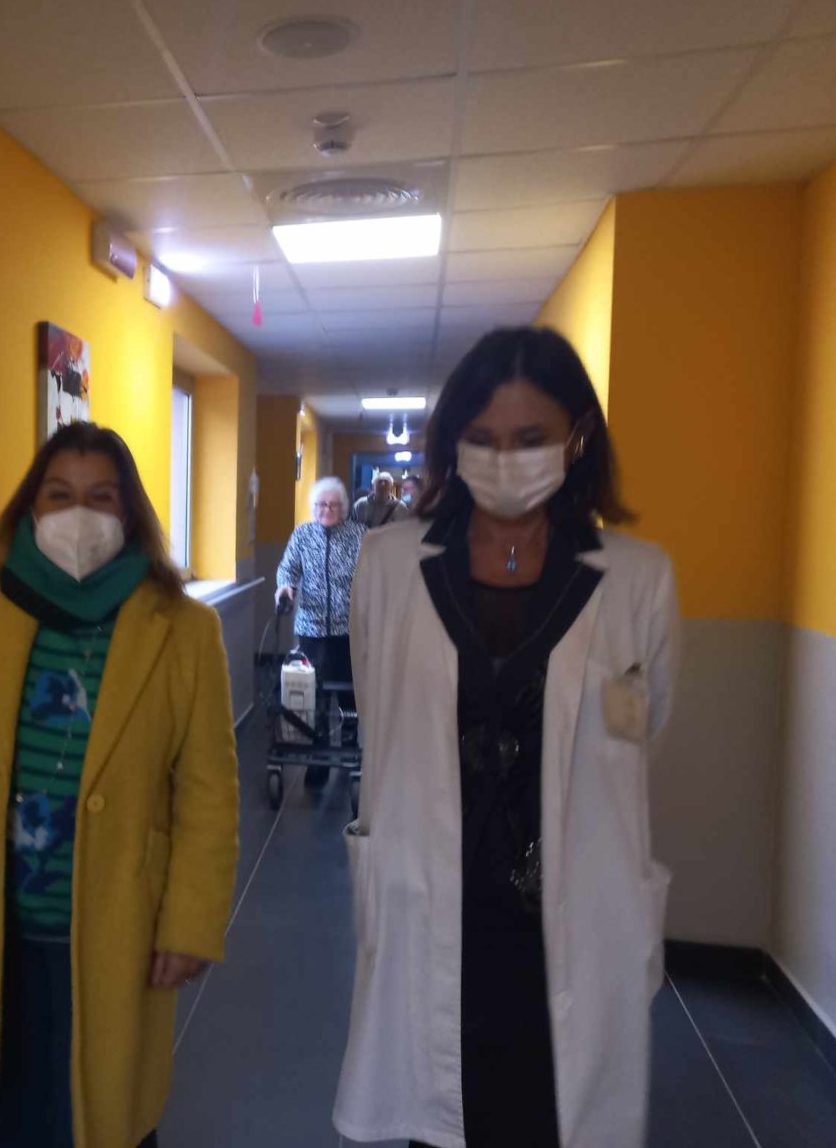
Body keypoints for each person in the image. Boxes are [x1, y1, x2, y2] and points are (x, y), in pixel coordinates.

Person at [335, 327, 680, 1148]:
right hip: (432, 899)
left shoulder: (638, 579)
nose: (505, 459)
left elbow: (644, 735)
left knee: (550, 1119)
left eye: (530, 438)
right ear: (453, 442)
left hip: (571, 916)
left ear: (577, 435)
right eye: (483, 439)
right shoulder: (388, 564)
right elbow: (382, 722)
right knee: (436, 1118)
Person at [0, 422, 240, 1148]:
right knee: (6, 1115)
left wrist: (191, 922)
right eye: (60, 495)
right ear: (30, 508)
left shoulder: (182, 629)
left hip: (114, 925)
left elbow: (209, 793)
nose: (79, 515)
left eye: (102, 497)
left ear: (130, 513)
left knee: (104, 1117)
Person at [276, 476, 367, 785]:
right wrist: (285, 587)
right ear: (313, 506)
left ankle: (349, 748)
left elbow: (372, 571)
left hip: (349, 629)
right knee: (314, 693)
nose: (326, 509)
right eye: (320, 504)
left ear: (344, 508)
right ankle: (319, 759)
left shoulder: (358, 535)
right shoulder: (302, 535)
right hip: (311, 628)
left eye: (333, 505)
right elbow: (288, 567)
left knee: (350, 693)